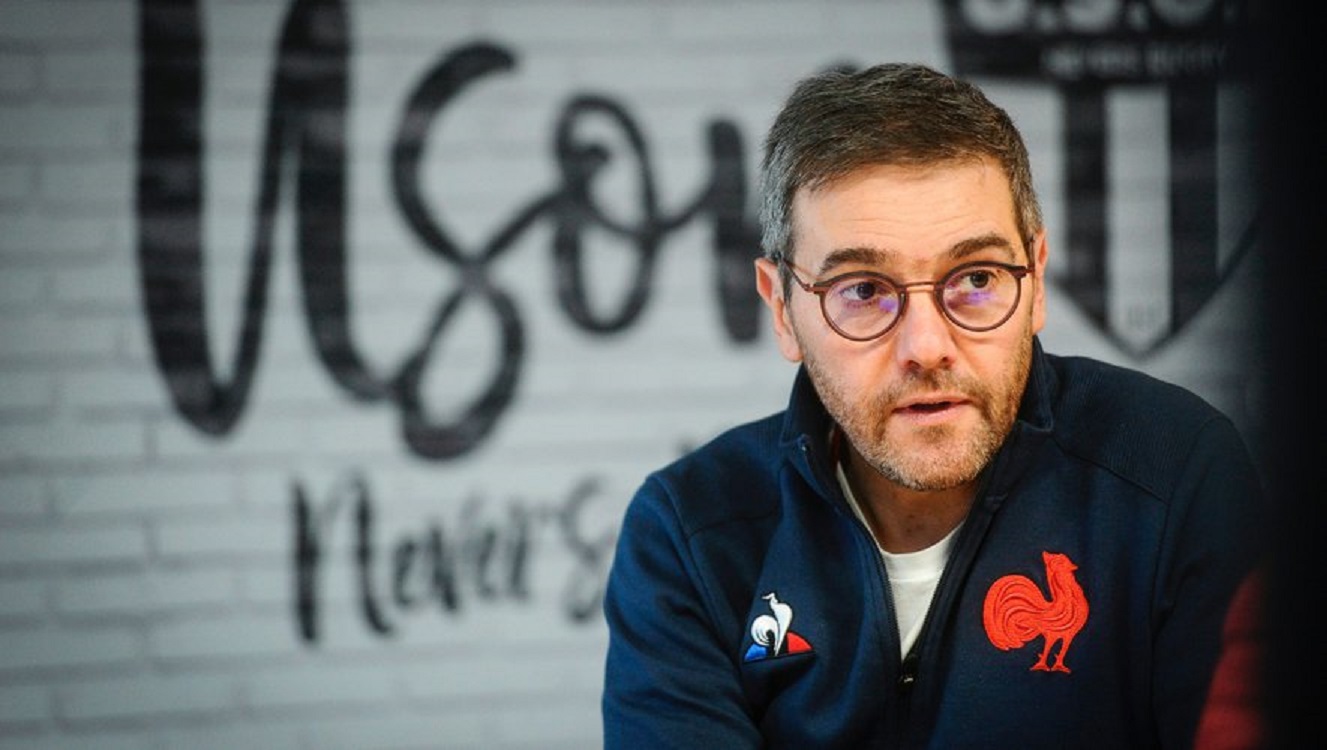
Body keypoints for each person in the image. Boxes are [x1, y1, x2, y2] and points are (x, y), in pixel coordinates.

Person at [600, 62, 1266, 748]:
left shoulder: (1174, 475)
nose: (926, 346)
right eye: (861, 290)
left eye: (976, 278)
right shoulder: (690, 531)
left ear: (1035, 282)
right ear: (780, 308)